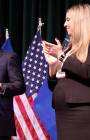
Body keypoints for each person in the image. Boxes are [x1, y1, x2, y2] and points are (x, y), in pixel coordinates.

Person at [42, 4, 90, 140]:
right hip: (64, 112)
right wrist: (52, 66)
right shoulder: (69, 48)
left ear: (80, 20)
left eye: (68, 20)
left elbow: (87, 72)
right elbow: (54, 85)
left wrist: (62, 56)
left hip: (82, 113)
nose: (64, 24)